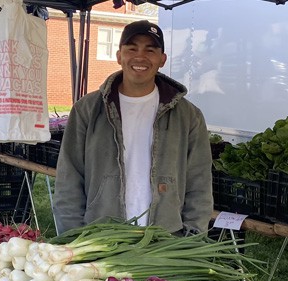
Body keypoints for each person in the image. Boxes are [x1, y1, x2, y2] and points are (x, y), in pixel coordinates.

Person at [52, 20, 213, 236]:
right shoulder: (87, 110)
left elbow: (200, 182)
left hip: (165, 239)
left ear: (162, 59)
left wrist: (191, 237)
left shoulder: (188, 115)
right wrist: (72, 236)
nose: (140, 56)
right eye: (132, 48)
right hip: (101, 234)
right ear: (119, 56)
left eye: (150, 50)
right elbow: (69, 177)